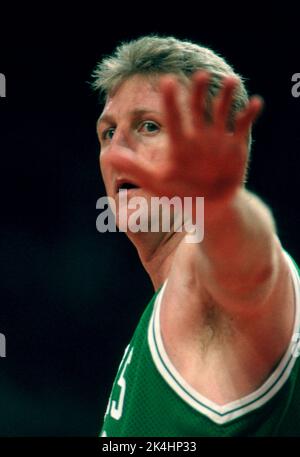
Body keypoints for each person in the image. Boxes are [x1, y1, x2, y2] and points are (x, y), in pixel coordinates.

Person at [92, 35, 300, 436]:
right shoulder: (163, 310)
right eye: (108, 132)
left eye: (148, 126)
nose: (118, 148)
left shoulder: (205, 272)